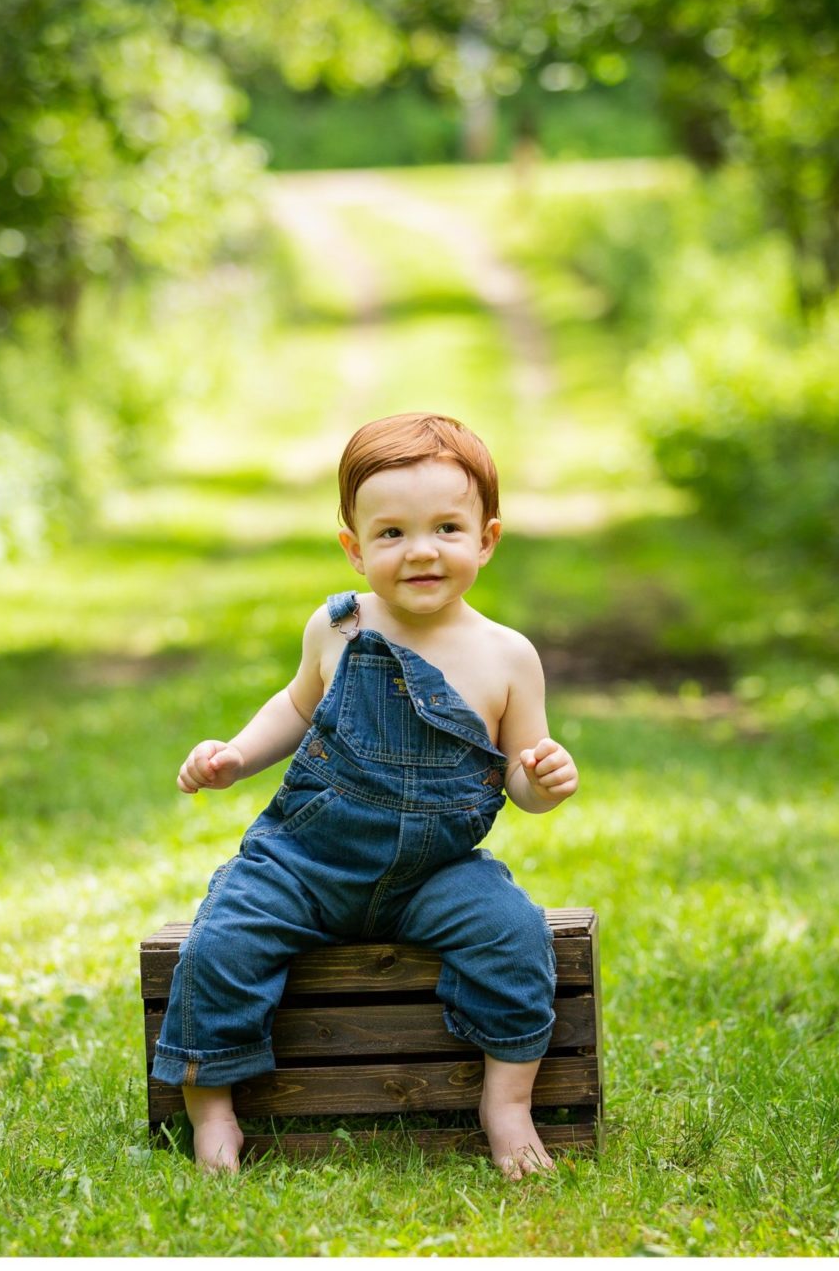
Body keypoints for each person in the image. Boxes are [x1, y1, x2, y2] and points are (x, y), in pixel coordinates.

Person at [154, 412, 581, 1179]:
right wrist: (236, 756)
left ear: (486, 538)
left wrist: (541, 779)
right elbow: (294, 706)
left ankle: (507, 1101)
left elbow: (518, 780)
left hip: (436, 872)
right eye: (391, 534)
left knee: (516, 934)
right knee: (220, 940)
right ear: (355, 547)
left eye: (447, 527)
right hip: (306, 860)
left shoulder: (507, 656)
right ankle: (211, 1108)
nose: (421, 550)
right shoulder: (339, 627)